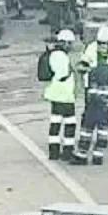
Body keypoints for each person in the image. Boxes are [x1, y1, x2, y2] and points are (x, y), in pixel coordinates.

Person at [70, 62, 108, 166]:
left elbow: (91, 93)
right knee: (103, 132)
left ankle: (82, 155)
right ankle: (98, 156)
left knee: (86, 132)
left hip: (93, 108)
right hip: (106, 109)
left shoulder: (93, 75)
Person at [42, 29, 77, 161]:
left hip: (55, 94)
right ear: (65, 43)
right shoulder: (61, 56)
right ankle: (68, 150)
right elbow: (62, 74)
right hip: (64, 95)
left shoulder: (53, 54)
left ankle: (54, 151)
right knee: (70, 123)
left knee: (55, 122)